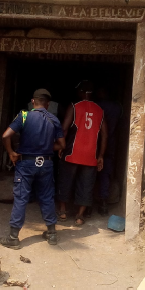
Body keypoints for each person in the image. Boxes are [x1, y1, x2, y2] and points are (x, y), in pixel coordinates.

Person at [0, 89, 66, 249]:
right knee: (47, 197)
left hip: (26, 164)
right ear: (48, 104)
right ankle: (51, 233)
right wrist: (46, 147)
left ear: (33, 102)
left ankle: (13, 237)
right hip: (46, 164)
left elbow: (5, 135)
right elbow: (62, 145)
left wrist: (11, 153)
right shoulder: (54, 119)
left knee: (21, 198)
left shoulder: (24, 115)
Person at [57, 80, 107, 225]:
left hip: (72, 153)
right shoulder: (99, 110)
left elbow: (64, 128)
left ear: (82, 92)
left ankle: (63, 212)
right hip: (90, 156)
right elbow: (105, 135)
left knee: (65, 181)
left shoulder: (74, 106)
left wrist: (61, 146)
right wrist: (101, 156)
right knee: (86, 185)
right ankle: (79, 216)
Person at [95, 87, 122, 215]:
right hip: (110, 145)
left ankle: (87, 205)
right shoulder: (117, 108)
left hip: (94, 145)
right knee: (105, 174)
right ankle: (103, 204)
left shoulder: (95, 106)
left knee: (88, 175)